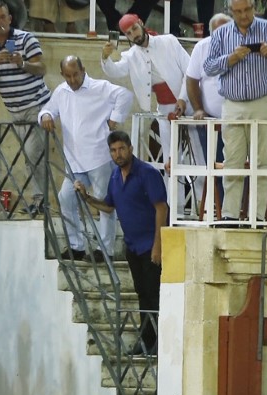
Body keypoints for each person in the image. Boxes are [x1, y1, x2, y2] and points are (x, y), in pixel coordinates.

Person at [73, 131, 168, 356]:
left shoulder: (147, 173)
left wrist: (158, 245)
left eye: (121, 149)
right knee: (142, 294)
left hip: (150, 246)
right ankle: (146, 340)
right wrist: (87, 197)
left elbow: (161, 207)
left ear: (130, 148)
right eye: (114, 150)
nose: (118, 154)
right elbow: (109, 206)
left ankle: (160, 341)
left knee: (154, 294)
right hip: (133, 247)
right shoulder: (115, 177)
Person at [204, 0, 267, 223]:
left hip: (265, 101)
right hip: (233, 103)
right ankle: (229, 215)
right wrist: (231, 58)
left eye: (247, 10)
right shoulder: (221, 34)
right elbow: (208, 67)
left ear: (254, 8)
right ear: (230, 12)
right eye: (238, 12)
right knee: (233, 158)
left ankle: (257, 214)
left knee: (261, 159)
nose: (244, 15)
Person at [38, 56, 133, 261]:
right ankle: (76, 245)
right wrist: (46, 116)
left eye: (76, 74)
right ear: (62, 74)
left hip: (98, 156)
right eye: (68, 76)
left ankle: (105, 249)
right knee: (65, 198)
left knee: (103, 201)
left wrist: (115, 117)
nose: (73, 80)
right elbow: (48, 109)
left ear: (83, 69)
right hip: (73, 160)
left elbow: (125, 95)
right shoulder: (61, 91)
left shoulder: (100, 87)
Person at [0, 0, 50, 215]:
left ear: (10, 18)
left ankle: (41, 202)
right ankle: (39, 201)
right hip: (15, 110)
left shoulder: (25, 39)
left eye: (3, 17)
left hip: (37, 105)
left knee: (32, 153)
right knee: (29, 157)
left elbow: (42, 68)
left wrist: (22, 63)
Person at [101, 13, 190, 172]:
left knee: (195, 155)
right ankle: (171, 197)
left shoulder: (168, 41)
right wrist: (105, 58)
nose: (133, 34)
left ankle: (201, 197)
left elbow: (189, 70)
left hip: (187, 103)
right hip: (164, 109)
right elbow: (115, 71)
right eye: (128, 33)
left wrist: (183, 98)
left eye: (135, 28)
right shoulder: (131, 55)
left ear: (141, 23)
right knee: (170, 160)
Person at [179, 12, 232, 212]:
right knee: (215, 167)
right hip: (210, 121)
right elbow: (191, 80)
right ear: (211, 32)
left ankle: (235, 212)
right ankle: (219, 212)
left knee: (236, 170)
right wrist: (199, 108)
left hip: (236, 120)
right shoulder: (202, 47)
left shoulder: (241, 46)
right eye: (217, 31)